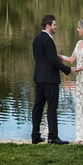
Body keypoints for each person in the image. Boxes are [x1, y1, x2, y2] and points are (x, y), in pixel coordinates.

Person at [31, 13, 72, 144]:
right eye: (54, 25)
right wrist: (68, 70)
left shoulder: (36, 39)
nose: (56, 27)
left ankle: (35, 136)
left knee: (38, 107)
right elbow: (53, 60)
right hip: (50, 79)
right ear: (48, 26)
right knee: (52, 107)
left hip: (39, 78)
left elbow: (40, 59)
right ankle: (53, 137)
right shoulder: (48, 40)